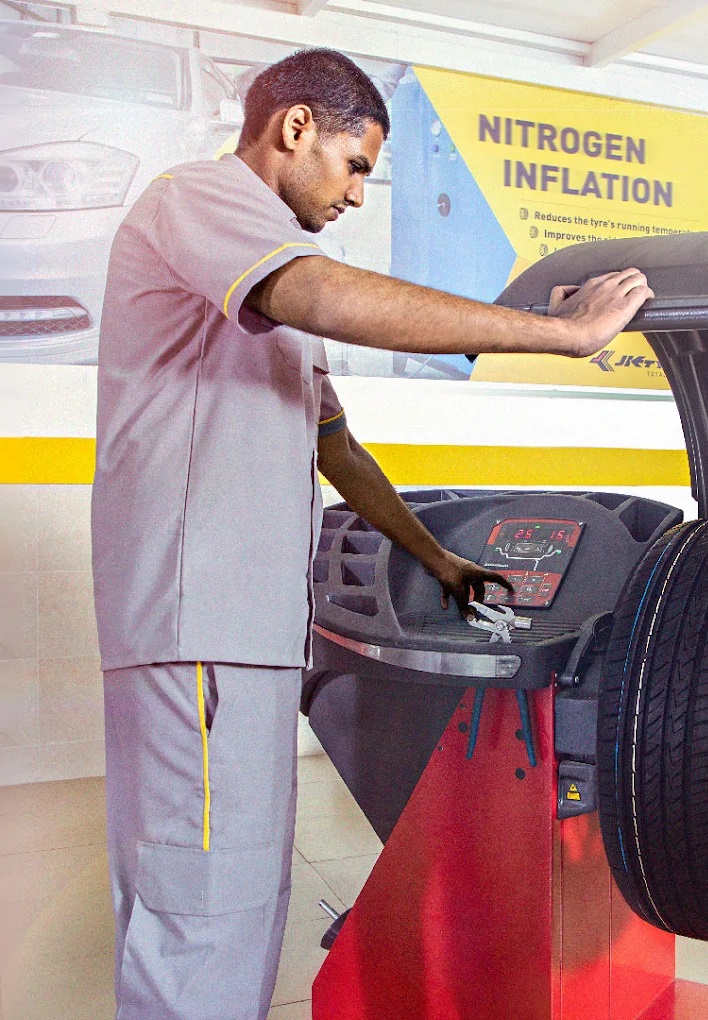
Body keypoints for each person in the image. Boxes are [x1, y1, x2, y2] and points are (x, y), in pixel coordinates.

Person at [91, 47, 652, 1020]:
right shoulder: (208, 204)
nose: (357, 194)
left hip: (232, 633)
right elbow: (326, 294)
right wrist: (562, 338)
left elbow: (337, 450)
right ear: (295, 127)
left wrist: (440, 559)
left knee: (219, 891)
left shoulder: (262, 277)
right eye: (355, 165)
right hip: (203, 627)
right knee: (205, 907)